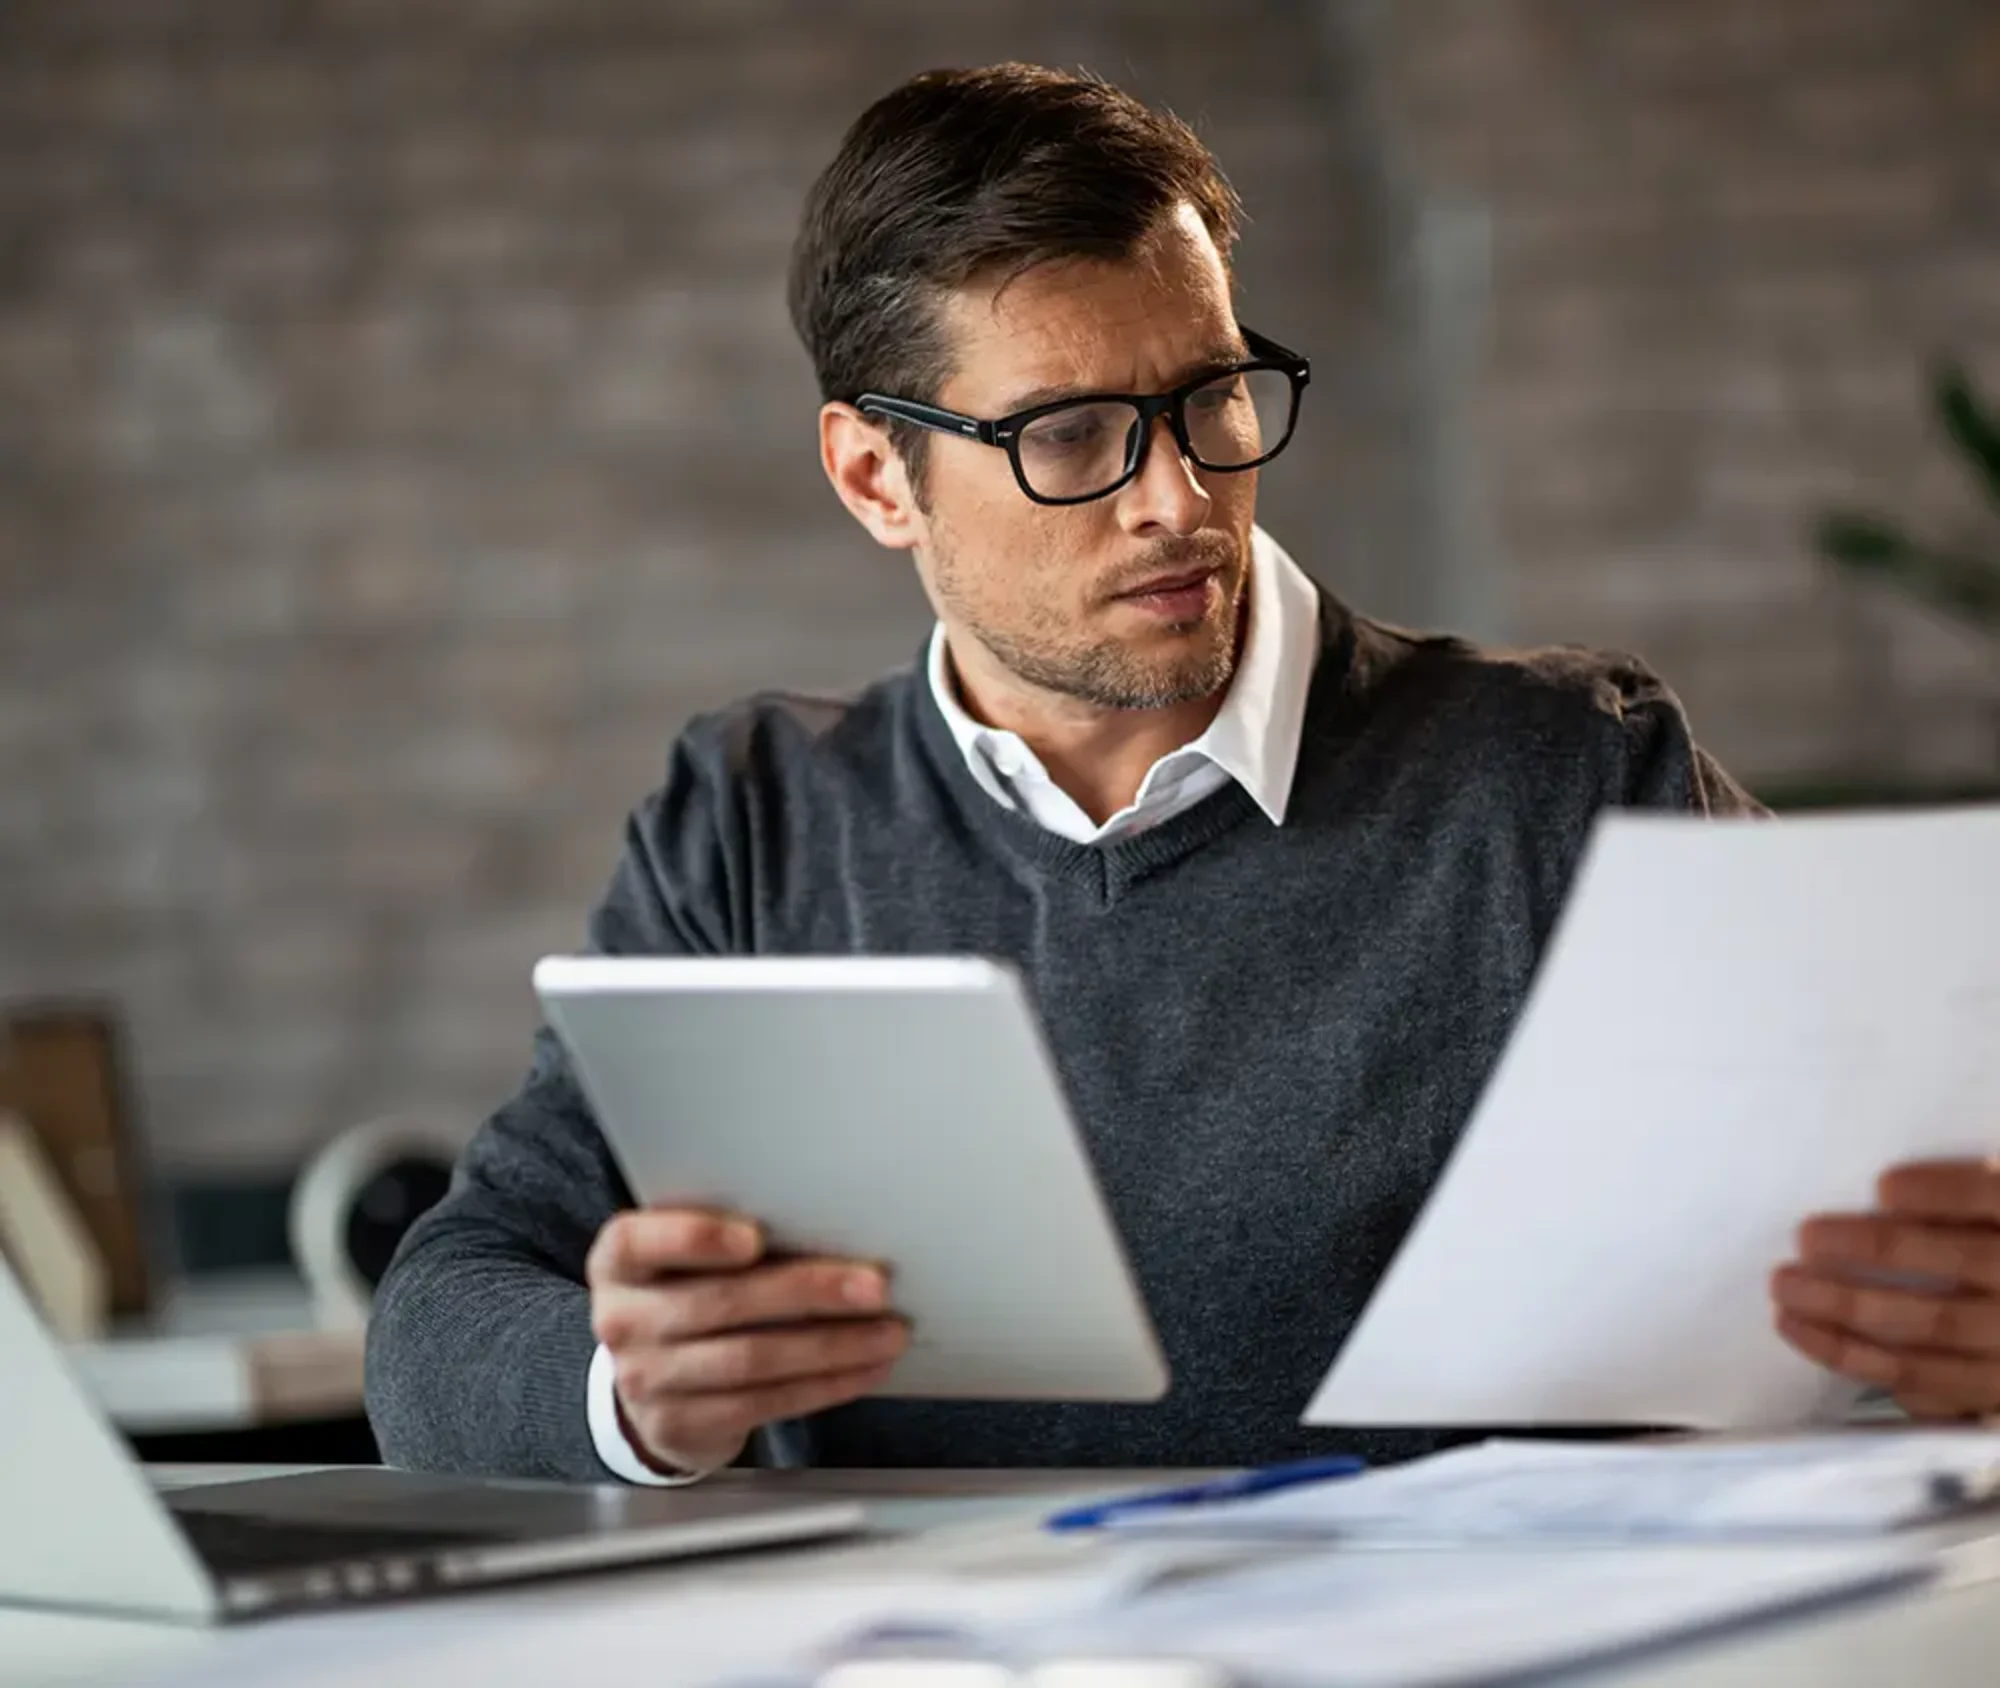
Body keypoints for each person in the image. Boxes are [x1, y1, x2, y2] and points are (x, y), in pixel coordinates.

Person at [366, 63, 2000, 1483]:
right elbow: (444, 1319)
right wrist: (635, 1393)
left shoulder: (1563, 772)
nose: (1176, 500)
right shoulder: (752, 820)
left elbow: (1913, 1212)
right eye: (1070, 434)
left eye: (1210, 398)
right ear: (877, 476)